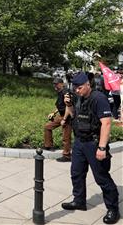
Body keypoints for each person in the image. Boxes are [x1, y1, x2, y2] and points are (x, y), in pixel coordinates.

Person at [61, 72, 120, 224]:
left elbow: (106, 123)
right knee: (76, 173)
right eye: (75, 88)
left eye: (80, 88)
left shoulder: (98, 98)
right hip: (80, 142)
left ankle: (113, 209)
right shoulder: (79, 98)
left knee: (101, 177)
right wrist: (68, 105)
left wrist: (102, 148)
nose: (77, 91)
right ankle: (79, 200)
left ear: (88, 84)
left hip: (94, 143)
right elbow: (74, 116)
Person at [43, 78, 72, 162]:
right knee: (47, 126)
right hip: (61, 115)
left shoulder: (66, 92)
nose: (55, 85)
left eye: (56, 84)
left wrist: (64, 119)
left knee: (66, 137)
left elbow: (68, 106)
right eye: (54, 84)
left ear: (62, 84)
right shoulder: (60, 92)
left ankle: (67, 156)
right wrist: (54, 113)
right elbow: (59, 105)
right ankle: (48, 145)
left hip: (67, 116)